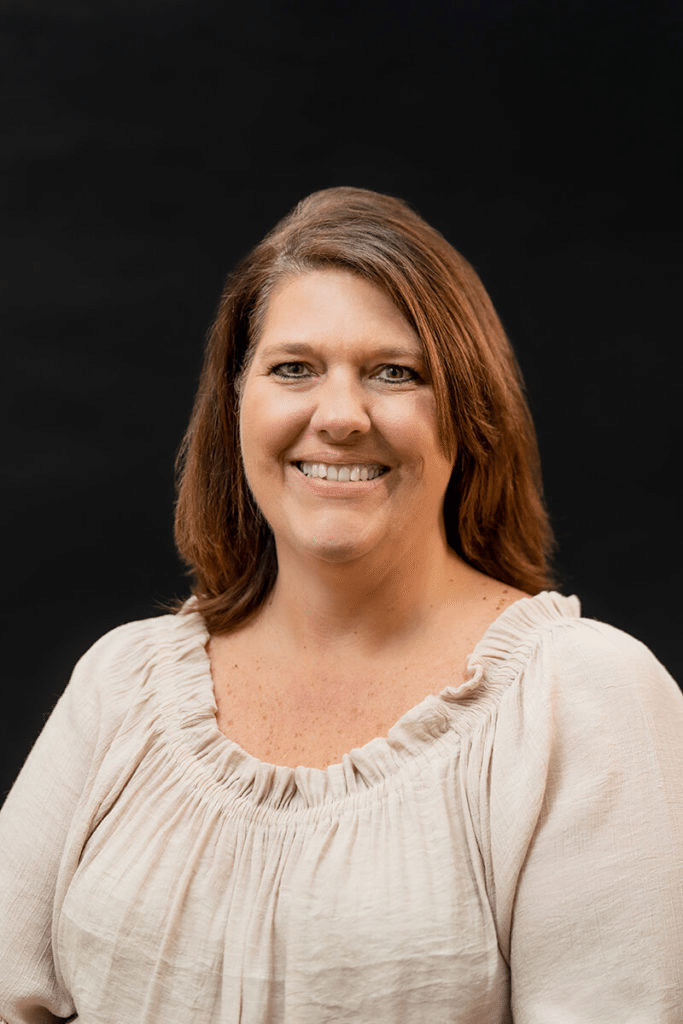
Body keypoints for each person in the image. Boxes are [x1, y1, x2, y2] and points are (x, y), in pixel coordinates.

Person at [1, 186, 681, 1024]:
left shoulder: (582, 699)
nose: (341, 416)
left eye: (395, 374)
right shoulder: (122, 683)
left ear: (470, 415)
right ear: (235, 407)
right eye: (293, 369)